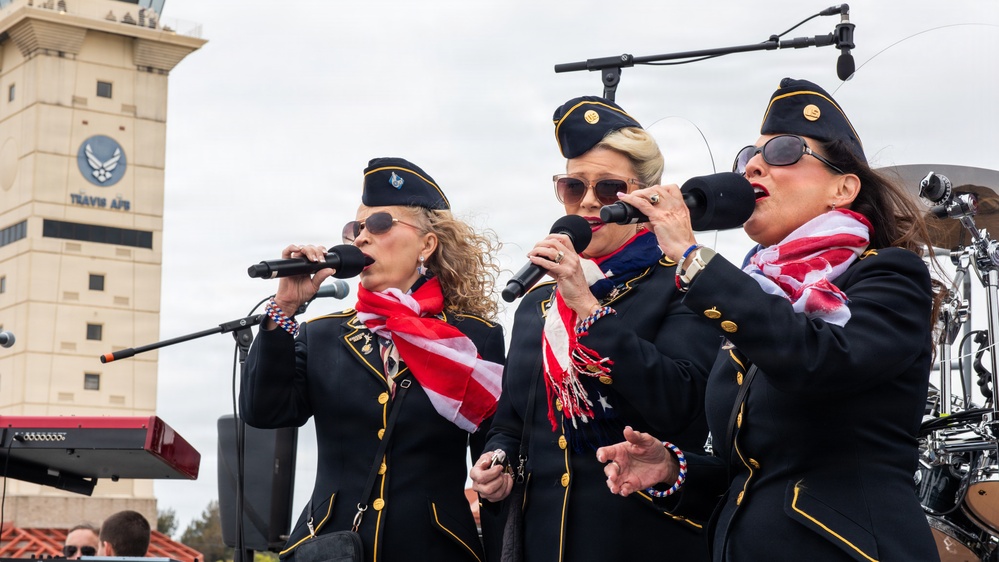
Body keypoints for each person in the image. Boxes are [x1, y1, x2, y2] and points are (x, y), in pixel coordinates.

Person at [597, 77, 945, 561]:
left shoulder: (888, 275)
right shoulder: (752, 292)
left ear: (843, 188)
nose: (753, 165)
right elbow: (754, 476)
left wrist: (694, 260)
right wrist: (674, 470)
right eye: (747, 157)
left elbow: (822, 363)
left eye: (783, 151)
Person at [470, 96, 719, 561]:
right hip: (545, 540)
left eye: (607, 189)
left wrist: (585, 306)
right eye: (572, 187)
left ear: (643, 197)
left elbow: (681, 403)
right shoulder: (537, 305)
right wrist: (496, 460)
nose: (586, 202)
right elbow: (511, 421)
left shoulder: (681, 283)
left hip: (640, 539)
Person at [241, 157, 506, 562]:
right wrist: (284, 309)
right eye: (355, 228)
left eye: (379, 224)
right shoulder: (322, 334)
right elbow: (264, 411)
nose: (361, 238)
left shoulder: (472, 338)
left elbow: (492, 457)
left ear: (426, 244)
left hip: (436, 549)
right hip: (332, 545)